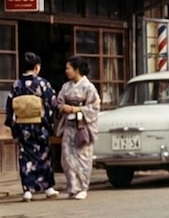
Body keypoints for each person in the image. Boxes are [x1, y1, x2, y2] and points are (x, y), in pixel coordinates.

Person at [4, 52, 59, 201]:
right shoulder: (42, 83)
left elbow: (10, 107)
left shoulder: (17, 84)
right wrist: (50, 121)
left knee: (25, 156)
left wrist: (14, 126)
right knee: (44, 154)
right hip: (39, 125)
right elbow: (51, 103)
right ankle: (48, 188)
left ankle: (27, 190)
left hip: (23, 126)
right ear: (36, 67)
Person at [55, 56, 100, 200]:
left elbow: (95, 106)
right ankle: (72, 187)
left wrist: (77, 109)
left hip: (82, 126)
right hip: (69, 125)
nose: (66, 71)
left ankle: (82, 187)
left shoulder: (88, 87)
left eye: (68, 68)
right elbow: (58, 102)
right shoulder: (66, 87)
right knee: (66, 157)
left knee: (82, 157)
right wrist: (62, 107)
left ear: (77, 70)